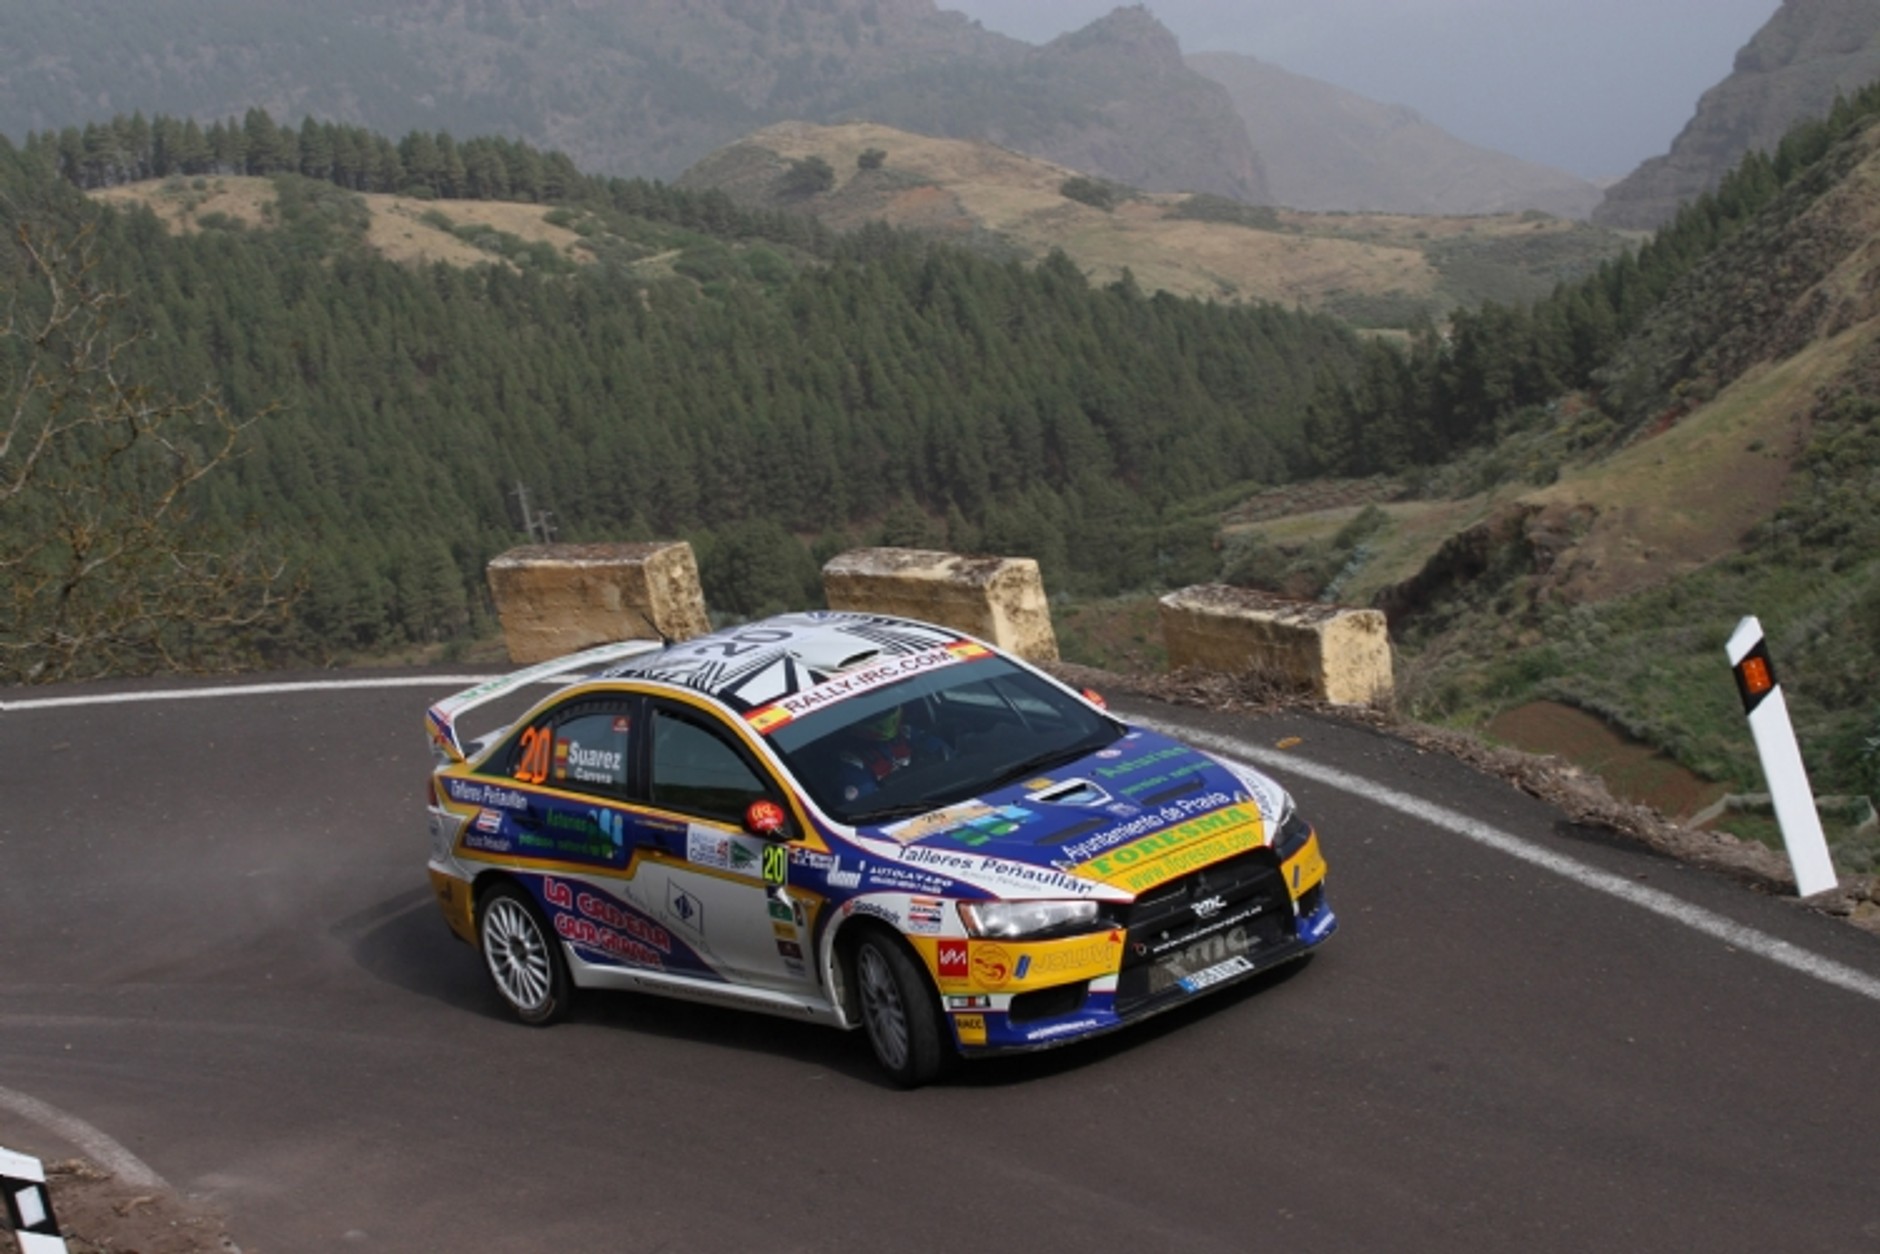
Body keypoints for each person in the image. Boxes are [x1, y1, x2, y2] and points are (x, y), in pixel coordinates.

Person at [833, 703, 945, 802]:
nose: (880, 713)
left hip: (939, 793)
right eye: (873, 714)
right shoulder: (852, 762)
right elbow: (868, 804)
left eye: (883, 708)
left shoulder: (907, 733)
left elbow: (946, 755)